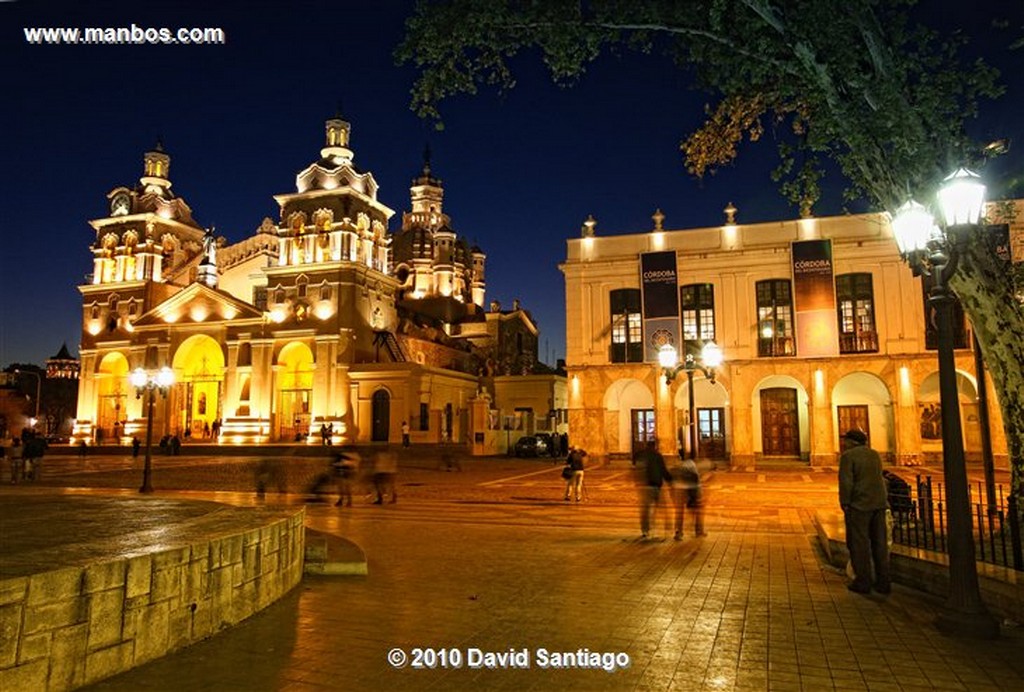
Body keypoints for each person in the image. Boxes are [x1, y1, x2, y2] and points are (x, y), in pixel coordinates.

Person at [838, 429, 891, 595]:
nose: (844, 443)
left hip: (860, 505)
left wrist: (845, 503)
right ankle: (883, 582)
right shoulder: (874, 454)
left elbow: (846, 481)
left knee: (859, 543)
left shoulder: (848, 456)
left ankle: (863, 581)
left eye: (846, 440)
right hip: (878, 504)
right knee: (879, 544)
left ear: (852, 442)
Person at [633, 443, 672, 539]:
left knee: (645, 510)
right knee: (662, 507)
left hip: (645, 487)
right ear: (655, 447)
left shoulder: (641, 456)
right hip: (656, 485)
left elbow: (637, 469)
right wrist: (670, 481)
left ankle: (645, 530)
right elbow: (663, 470)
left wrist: (638, 482)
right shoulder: (657, 456)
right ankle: (667, 528)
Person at [672, 456, 705, 540]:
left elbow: (672, 480)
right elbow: (696, 480)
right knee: (699, 510)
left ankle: (678, 532)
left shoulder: (677, 466)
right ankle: (699, 530)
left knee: (679, 512)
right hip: (692, 489)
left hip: (680, 489)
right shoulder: (692, 464)